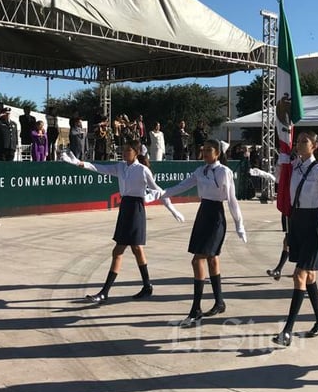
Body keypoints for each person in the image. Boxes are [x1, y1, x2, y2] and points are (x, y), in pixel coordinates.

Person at [62, 140, 183, 303]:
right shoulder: (120, 167)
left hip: (136, 209)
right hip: (125, 208)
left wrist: (173, 210)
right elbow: (99, 168)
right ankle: (147, 286)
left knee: (120, 250)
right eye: (123, 150)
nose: (124, 153)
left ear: (136, 152)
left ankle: (105, 292)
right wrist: (78, 163)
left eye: (128, 150)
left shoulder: (142, 170)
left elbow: (158, 191)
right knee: (136, 249)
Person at [160, 139, 247, 327]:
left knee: (197, 259)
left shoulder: (224, 172)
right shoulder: (201, 171)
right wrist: (164, 193)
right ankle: (219, 302)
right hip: (203, 213)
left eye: (209, 150)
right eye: (204, 149)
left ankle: (196, 309)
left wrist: (239, 224)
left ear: (217, 153)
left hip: (216, 216)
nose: (205, 153)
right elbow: (183, 185)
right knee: (212, 259)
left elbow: (232, 199)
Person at [271, 131, 318, 348]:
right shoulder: (293, 168)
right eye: (298, 141)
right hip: (297, 221)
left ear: (314, 147)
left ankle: (287, 330)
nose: (299, 145)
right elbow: (281, 186)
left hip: (313, 224)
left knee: (299, 275)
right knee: (309, 276)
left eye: (304, 142)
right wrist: (280, 165)